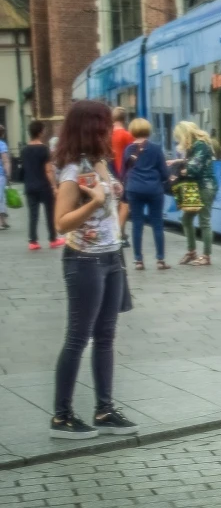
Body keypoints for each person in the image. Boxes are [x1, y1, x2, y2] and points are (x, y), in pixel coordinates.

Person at [50, 99, 138, 439]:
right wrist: (97, 203)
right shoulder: (74, 170)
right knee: (77, 338)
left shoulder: (99, 161)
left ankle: (104, 410)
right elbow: (60, 223)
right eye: (105, 123)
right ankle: (62, 416)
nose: (111, 128)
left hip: (111, 258)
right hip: (84, 261)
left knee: (105, 336)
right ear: (92, 126)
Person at [122, 118, 170, 271]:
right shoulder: (156, 149)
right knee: (157, 223)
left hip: (134, 189)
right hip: (154, 189)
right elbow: (164, 173)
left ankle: (138, 261)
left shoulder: (129, 149)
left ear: (132, 131)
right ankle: (160, 260)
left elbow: (125, 170)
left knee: (137, 223)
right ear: (148, 130)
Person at [173, 121, 217, 266]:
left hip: (205, 187)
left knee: (204, 221)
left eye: (180, 138)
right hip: (196, 187)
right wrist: (178, 161)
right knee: (186, 219)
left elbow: (194, 167)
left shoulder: (200, 145)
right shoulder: (195, 146)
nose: (179, 141)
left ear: (185, 135)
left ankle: (206, 256)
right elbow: (192, 161)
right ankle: (192, 252)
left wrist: (179, 171)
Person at [21, 120, 61, 250]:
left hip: (30, 185)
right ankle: (53, 238)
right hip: (44, 186)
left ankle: (33, 241)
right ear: (39, 132)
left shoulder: (24, 149)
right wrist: (54, 186)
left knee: (33, 214)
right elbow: (48, 170)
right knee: (50, 212)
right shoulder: (44, 149)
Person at [111, 107, 134, 247]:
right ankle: (120, 235)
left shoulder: (106, 135)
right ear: (124, 119)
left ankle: (122, 234)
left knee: (115, 206)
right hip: (123, 173)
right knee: (124, 206)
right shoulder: (127, 135)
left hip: (109, 172)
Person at [0, 124, 9, 230]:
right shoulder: (2, 145)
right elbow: (5, 160)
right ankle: (1, 222)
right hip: (0, 174)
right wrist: (8, 173)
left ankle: (3, 220)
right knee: (1, 198)